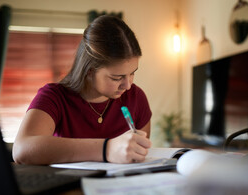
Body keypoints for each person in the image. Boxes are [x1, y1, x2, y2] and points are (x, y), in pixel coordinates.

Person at [12, 15, 152, 165]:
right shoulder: (54, 97)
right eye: (117, 78)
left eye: (132, 73)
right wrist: (107, 149)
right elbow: (22, 151)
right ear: (90, 71)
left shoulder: (136, 97)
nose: (128, 85)